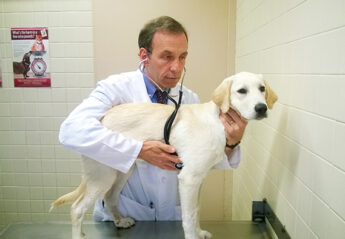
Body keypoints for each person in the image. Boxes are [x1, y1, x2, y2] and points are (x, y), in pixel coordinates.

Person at [59, 16, 247, 221]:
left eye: (182, 57)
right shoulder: (115, 89)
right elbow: (71, 131)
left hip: (170, 219)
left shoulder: (190, 99)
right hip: (127, 212)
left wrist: (231, 142)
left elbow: (203, 161)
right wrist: (138, 150)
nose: (177, 67)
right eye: (167, 57)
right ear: (144, 55)